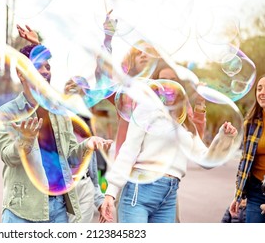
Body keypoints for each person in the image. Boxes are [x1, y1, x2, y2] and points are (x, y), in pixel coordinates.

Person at [0, 36, 113, 223]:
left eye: (48, 67)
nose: (44, 71)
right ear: (21, 73)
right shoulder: (8, 112)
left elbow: (71, 158)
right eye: (38, 66)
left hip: (59, 208)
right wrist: (25, 141)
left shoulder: (59, 110)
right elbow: (8, 156)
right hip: (23, 210)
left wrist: (87, 145)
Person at [100, 64, 238, 223]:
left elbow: (205, 159)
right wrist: (111, 193)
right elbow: (128, 151)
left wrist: (224, 137)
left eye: (173, 80)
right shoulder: (145, 110)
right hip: (139, 191)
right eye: (163, 80)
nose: (168, 85)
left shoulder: (185, 122)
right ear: (155, 85)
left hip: (169, 195)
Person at [64, 77, 106, 223]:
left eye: (81, 88)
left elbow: (91, 166)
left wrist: (99, 199)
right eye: (71, 86)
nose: (76, 91)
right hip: (63, 189)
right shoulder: (59, 117)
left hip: (85, 185)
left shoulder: (87, 122)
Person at [229, 74, 265, 223]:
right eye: (259, 89)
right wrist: (238, 196)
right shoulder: (251, 123)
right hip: (256, 191)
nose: (261, 93)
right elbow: (245, 161)